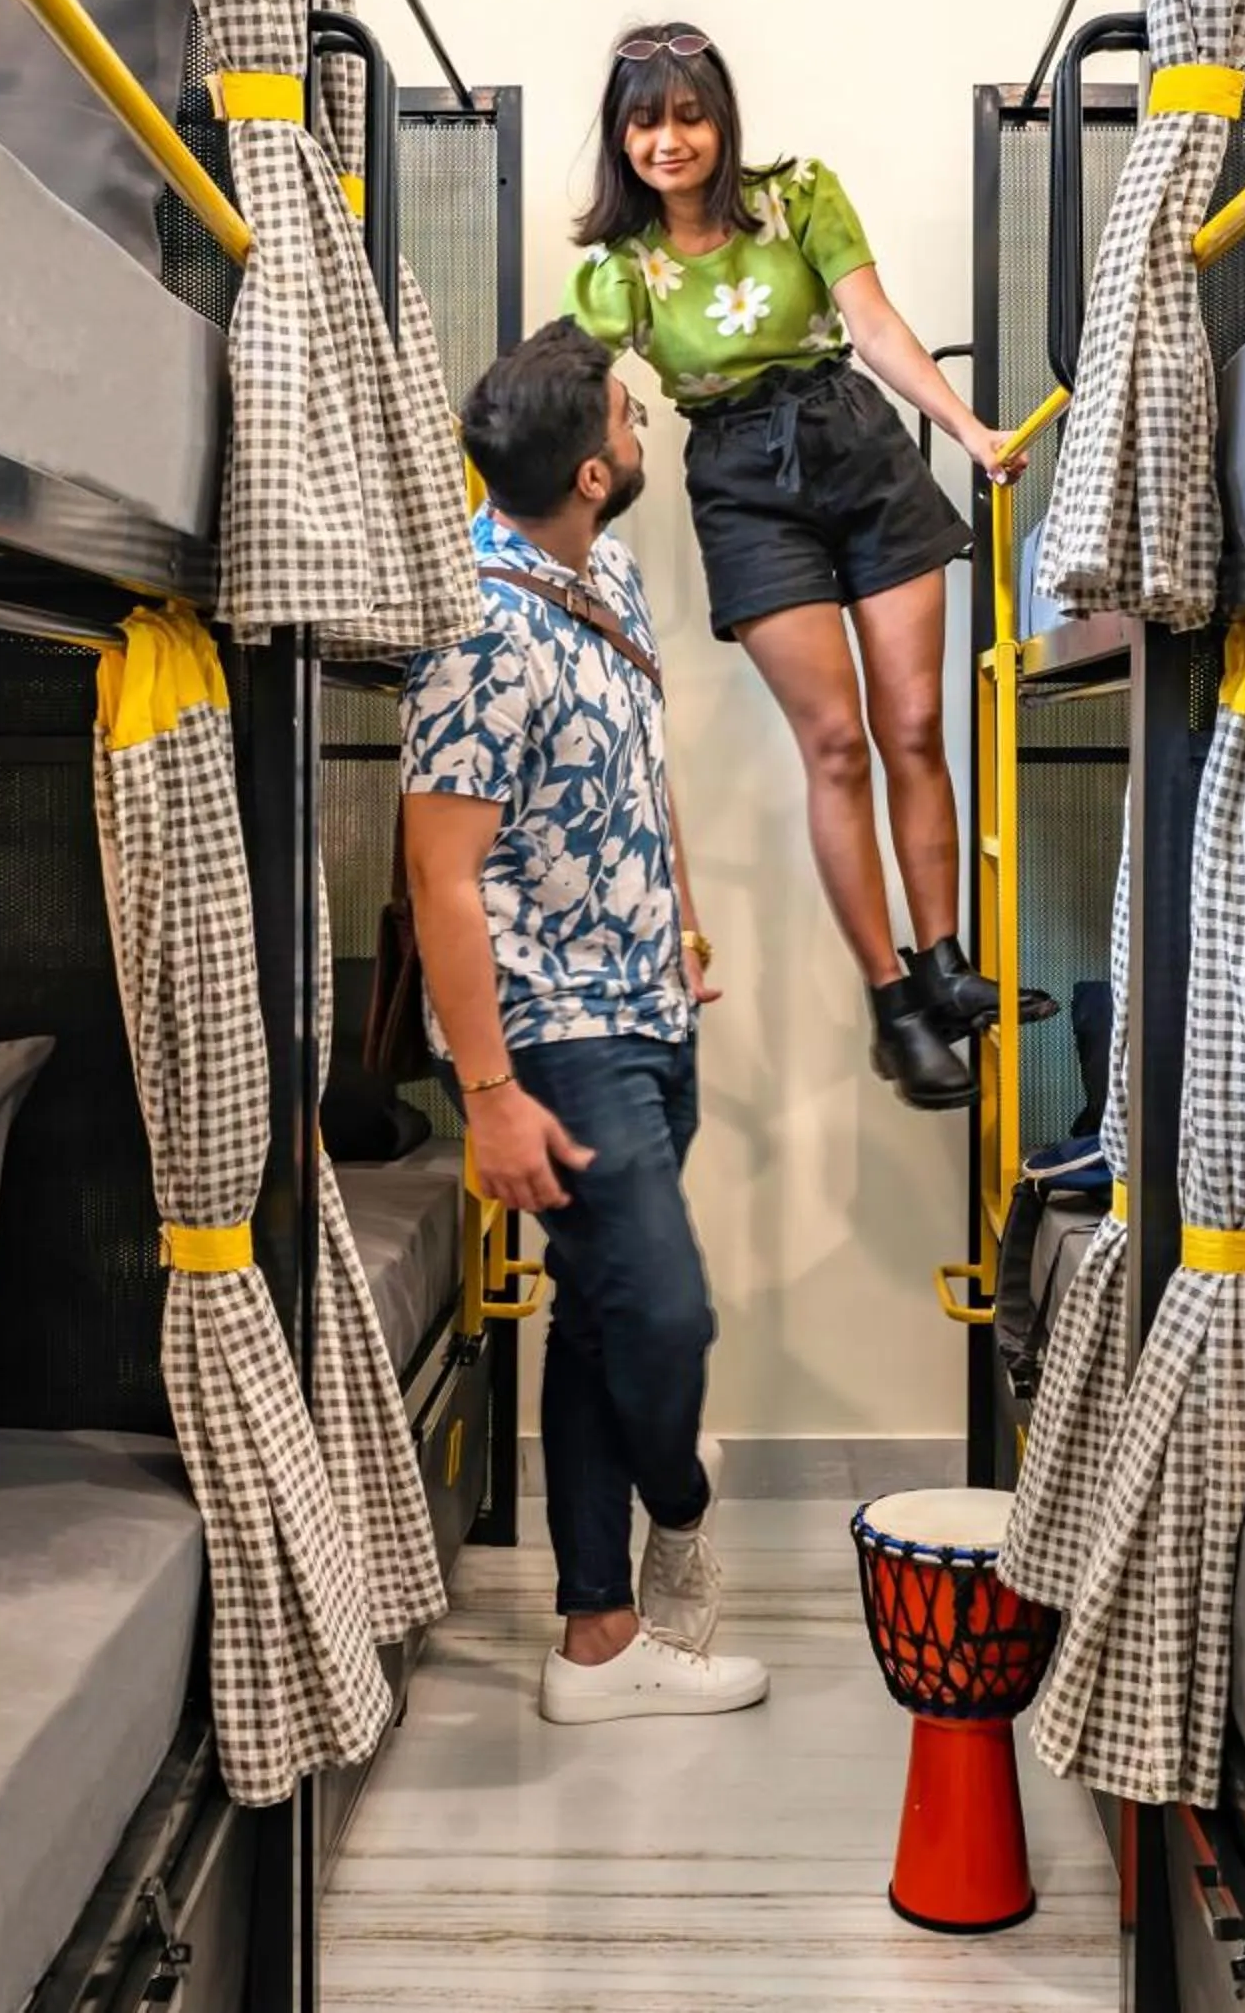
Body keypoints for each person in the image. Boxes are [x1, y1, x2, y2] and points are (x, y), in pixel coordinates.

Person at [567, 19, 1051, 1113]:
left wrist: (968, 432)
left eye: (690, 116)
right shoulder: (620, 269)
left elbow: (872, 325)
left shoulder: (798, 196)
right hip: (742, 482)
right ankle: (893, 1008)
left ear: (722, 121)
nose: (669, 141)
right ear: (621, 140)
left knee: (914, 723)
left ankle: (943, 965)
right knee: (835, 745)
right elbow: (570, 381)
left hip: (858, 443)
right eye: (645, 124)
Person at [402, 319, 770, 1727]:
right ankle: (678, 1506)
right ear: (595, 474)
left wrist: (682, 924)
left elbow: (639, 763)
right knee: (664, 1310)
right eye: (630, 413)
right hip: (554, 1030)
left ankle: (599, 1641)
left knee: (606, 1312)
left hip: (649, 1000)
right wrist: (491, 1093)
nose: (644, 422)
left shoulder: (604, 571)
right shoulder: (478, 630)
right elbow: (439, 877)